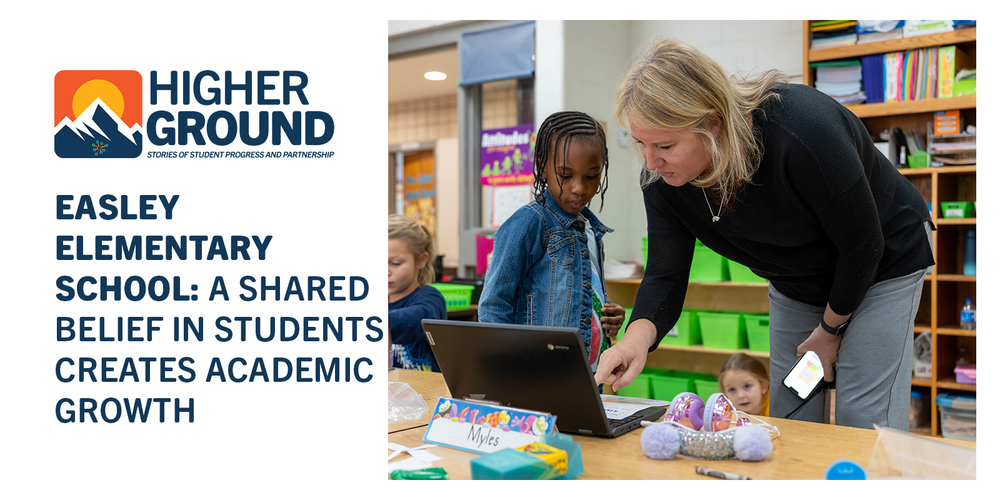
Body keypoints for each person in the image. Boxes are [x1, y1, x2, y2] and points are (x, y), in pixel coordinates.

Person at [595, 39, 933, 431]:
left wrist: (829, 330)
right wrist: (634, 340)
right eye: (640, 143)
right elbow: (665, 276)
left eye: (666, 145)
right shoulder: (661, 179)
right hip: (798, 281)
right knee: (792, 411)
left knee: (862, 420)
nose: (651, 161)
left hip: (881, 261)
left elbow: (863, 246)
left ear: (713, 123)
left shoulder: (804, 129)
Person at [479, 111, 625, 371]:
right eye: (566, 175)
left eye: (591, 176)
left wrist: (606, 313)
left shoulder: (591, 230)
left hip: (589, 373)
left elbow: (577, 294)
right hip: (539, 372)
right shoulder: (529, 223)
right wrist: (502, 369)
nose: (579, 187)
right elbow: (494, 304)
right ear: (543, 167)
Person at [388, 214, 448, 372]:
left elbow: (421, 317)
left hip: (426, 395)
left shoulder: (430, 298)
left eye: (395, 263)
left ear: (421, 260)